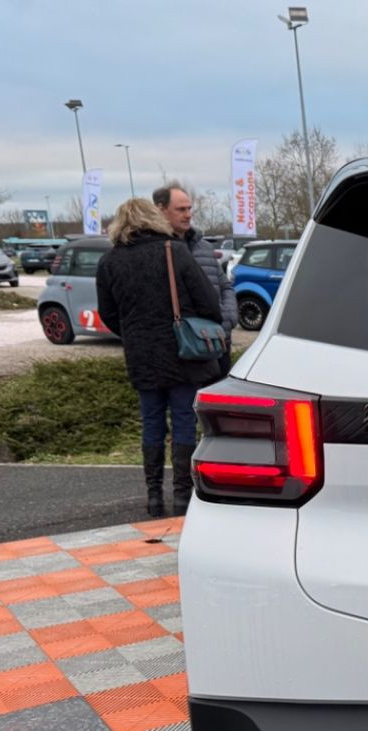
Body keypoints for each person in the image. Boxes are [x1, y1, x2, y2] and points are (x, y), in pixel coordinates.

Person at [95, 198, 223, 518]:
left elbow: (109, 314)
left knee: (151, 423)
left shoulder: (109, 262)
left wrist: (135, 334)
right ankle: (182, 496)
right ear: (155, 218)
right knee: (183, 421)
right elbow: (209, 303)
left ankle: (153, 497)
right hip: (180, 353)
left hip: (141, 354)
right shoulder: (174, 251)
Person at [152, 182, 237, 374]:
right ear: (161, 209)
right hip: (188, 347)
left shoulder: (204, 247)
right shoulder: (156, 251)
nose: (188, 214)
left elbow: (225, 286)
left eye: (189, 208)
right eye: (181, 209)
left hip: (219, 340)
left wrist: (229, 319)